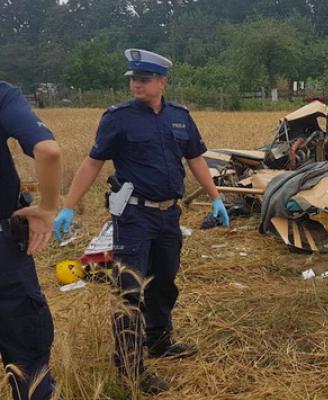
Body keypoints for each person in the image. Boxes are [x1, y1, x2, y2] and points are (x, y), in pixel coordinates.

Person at [53, 49, 229, 393]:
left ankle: (160, 340)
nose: (136, 84)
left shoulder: (179, 117)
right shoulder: (117, 118)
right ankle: (131, 369)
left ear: (162, 82)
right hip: (134, 216)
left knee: (164, 280)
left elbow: (195, 158)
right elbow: (92, 163)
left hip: (169, 215)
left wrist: (216, 197)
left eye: (144, 79)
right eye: (133, 79)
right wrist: (69, 206)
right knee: (128, 291)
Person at [0, 81, 62, 399]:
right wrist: (48, 208)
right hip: (3, 254)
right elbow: (48, 150)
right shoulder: (2, 93)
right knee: (29, 367)